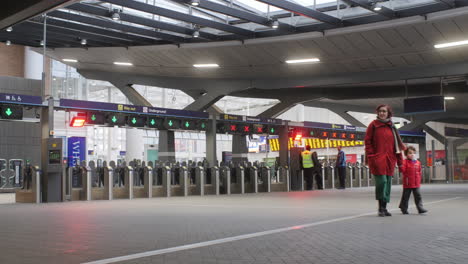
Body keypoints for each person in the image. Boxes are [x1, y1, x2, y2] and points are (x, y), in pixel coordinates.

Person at [365, 104, 406, 217]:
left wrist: (400, 163)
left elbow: (397, 146)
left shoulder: (392, 127)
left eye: (384, 111)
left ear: (388, 113)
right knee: (381, 182)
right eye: (380, 111)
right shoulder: (373, 125)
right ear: (377, 113)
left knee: (387, 184)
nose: (382, 113)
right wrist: (372, 155)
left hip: (390, 160)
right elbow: (367, 142)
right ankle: (380, 208)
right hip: (378, 159)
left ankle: (384, 208)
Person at [399, 146, 428, 215]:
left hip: (416, 183)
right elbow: (402, 170)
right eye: (410, 153)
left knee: (418, 195)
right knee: (406, 196)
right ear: (406, 154)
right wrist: (400, 165)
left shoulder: (418, 162)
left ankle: (420, 208)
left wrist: (419, 180)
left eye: (413, 153)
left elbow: (419, 171)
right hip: (408, 183)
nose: (412, 154)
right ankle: (404, 208)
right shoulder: (405, 162)